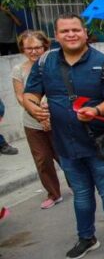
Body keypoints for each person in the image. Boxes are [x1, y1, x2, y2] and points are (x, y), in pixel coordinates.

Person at [23, 13, 104, 259]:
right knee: (80, 194)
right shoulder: (44, 63)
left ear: (85, 33)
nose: (71, 35)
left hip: (98, 142)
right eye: (65, 31)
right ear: (56, 36)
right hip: (65, 144)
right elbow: (30, 94)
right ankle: (86, 238)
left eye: (76, 30)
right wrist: (33, 107)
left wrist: (97, 110)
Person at [11, 30, 61, 207]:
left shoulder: (55, 64)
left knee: (66, 156)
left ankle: (79, 188)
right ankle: (53, 194)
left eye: (37, 47)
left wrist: (48, 114)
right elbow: (20, 96)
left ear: (45, 47)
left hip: (58, 120)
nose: (33, 52)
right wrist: (37, 113)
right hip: (32, 122)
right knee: (42, 160)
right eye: (28, 48)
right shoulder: (19, 70)